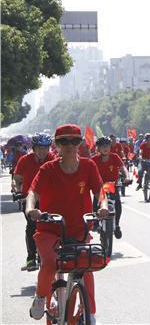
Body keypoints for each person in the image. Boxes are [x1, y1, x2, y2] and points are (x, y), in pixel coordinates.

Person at [25, 124, 109, 324]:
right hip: (50, 229)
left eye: (74, 141)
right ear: (57, 145)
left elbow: (100, 191)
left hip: (79, 230)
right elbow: (33, 192)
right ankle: (41, 297)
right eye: (64, 141)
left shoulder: (89, 166)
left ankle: (90, 314)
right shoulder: (48, 169)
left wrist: (103, 206)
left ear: (80, 143)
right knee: (50, 263)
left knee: (85, 268)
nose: (70, 145)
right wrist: (30, 209)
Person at [12, 133, 57, 272]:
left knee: (56, 225)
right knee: (31, 226)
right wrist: (16, 191)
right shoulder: (25, 160)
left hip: (50, 200)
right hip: (30, 200)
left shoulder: (54, 159)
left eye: (45, 148)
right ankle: (31, 257)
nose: (42, 151)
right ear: (33, 148)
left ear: (49, 148)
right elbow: (16, 179)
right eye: (39, 148)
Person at [91, 136, 130, 239]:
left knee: (117, 203)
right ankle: (95, 222)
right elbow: (88, 172)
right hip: (99, 186)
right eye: (102, 146)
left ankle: (117, 225)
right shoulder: (94, 159)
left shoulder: (115, 157)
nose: (105, 148)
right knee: (96, 201)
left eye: (107, 146)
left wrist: (127, 177)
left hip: (113, 185)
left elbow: (123, 168)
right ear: (98, 148)